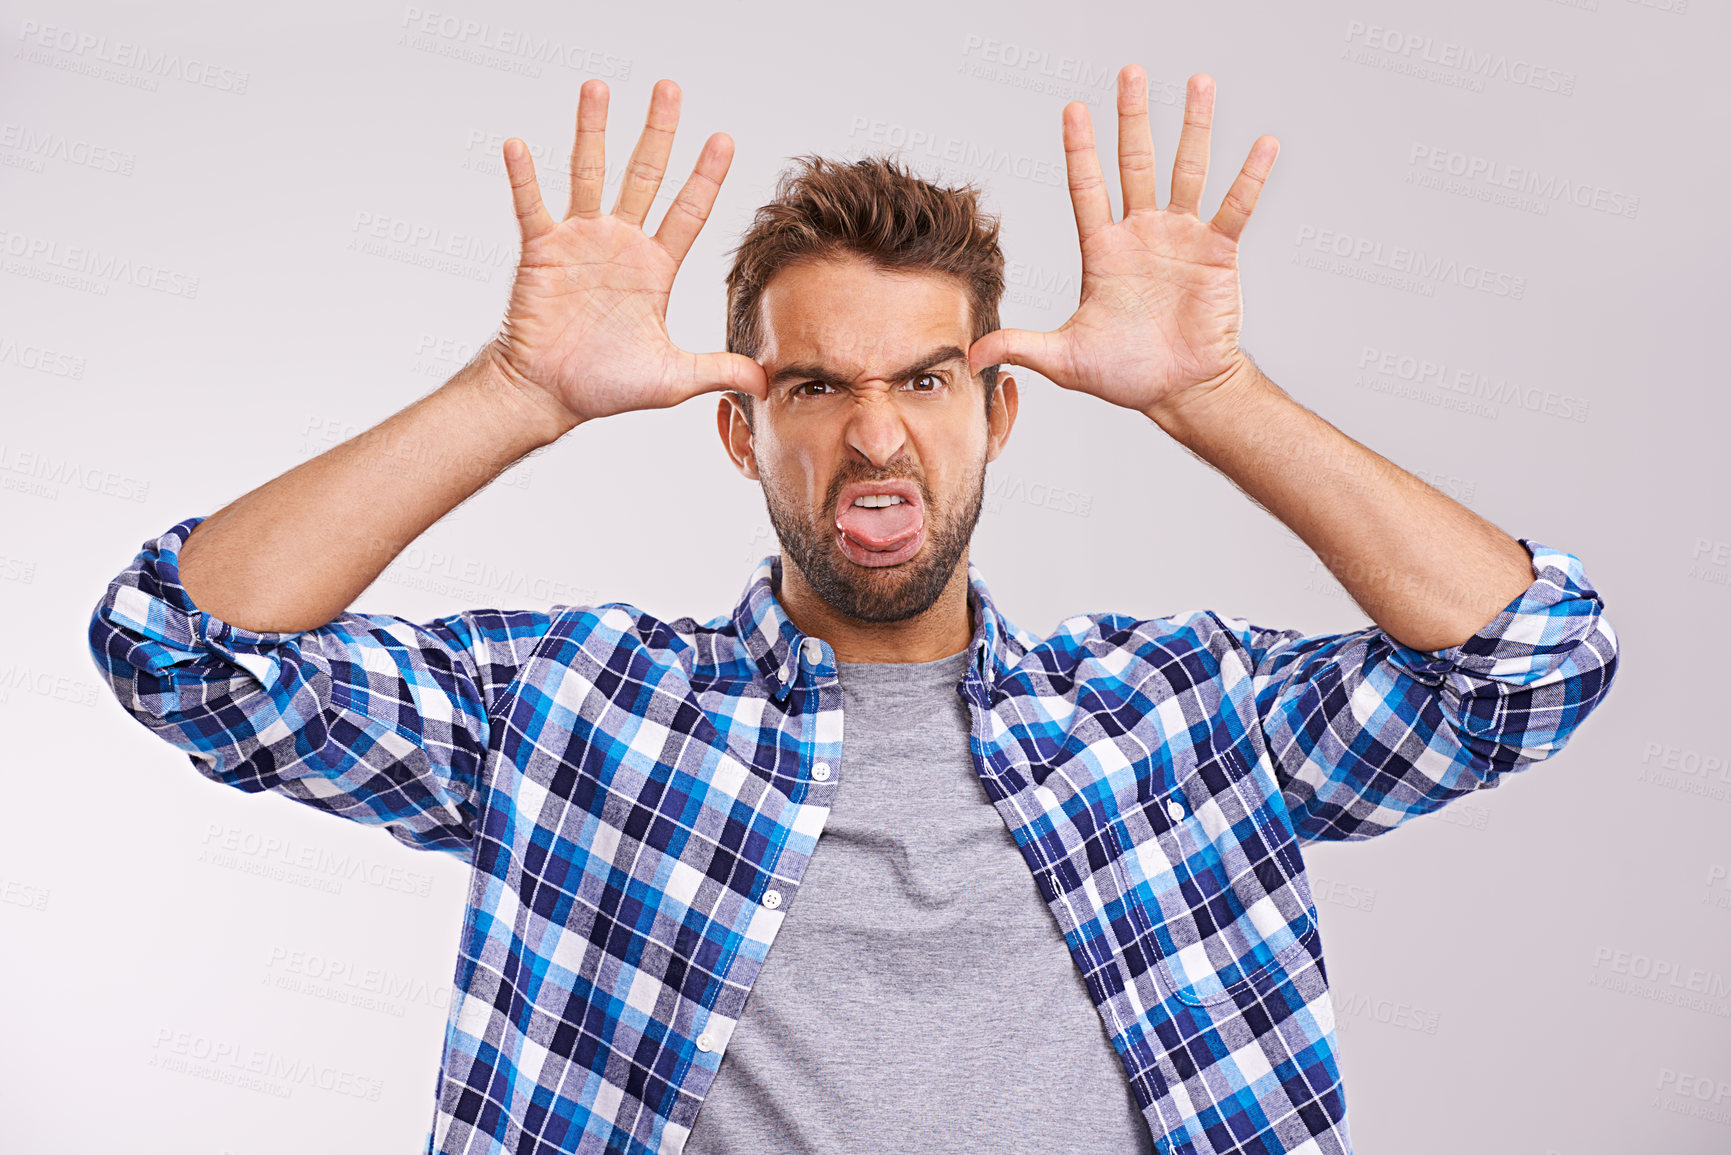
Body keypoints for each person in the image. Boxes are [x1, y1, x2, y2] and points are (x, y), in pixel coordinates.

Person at [87, 66, 1619, 1155]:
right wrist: (515, 394)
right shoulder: (575, 712)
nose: (876, 438)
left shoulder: (1176, 718)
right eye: (815, 385)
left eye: (927, 382)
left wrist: (1217, 396)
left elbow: (1531, 661)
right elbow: (181, 648)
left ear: (998, 417)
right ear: (741, 431)